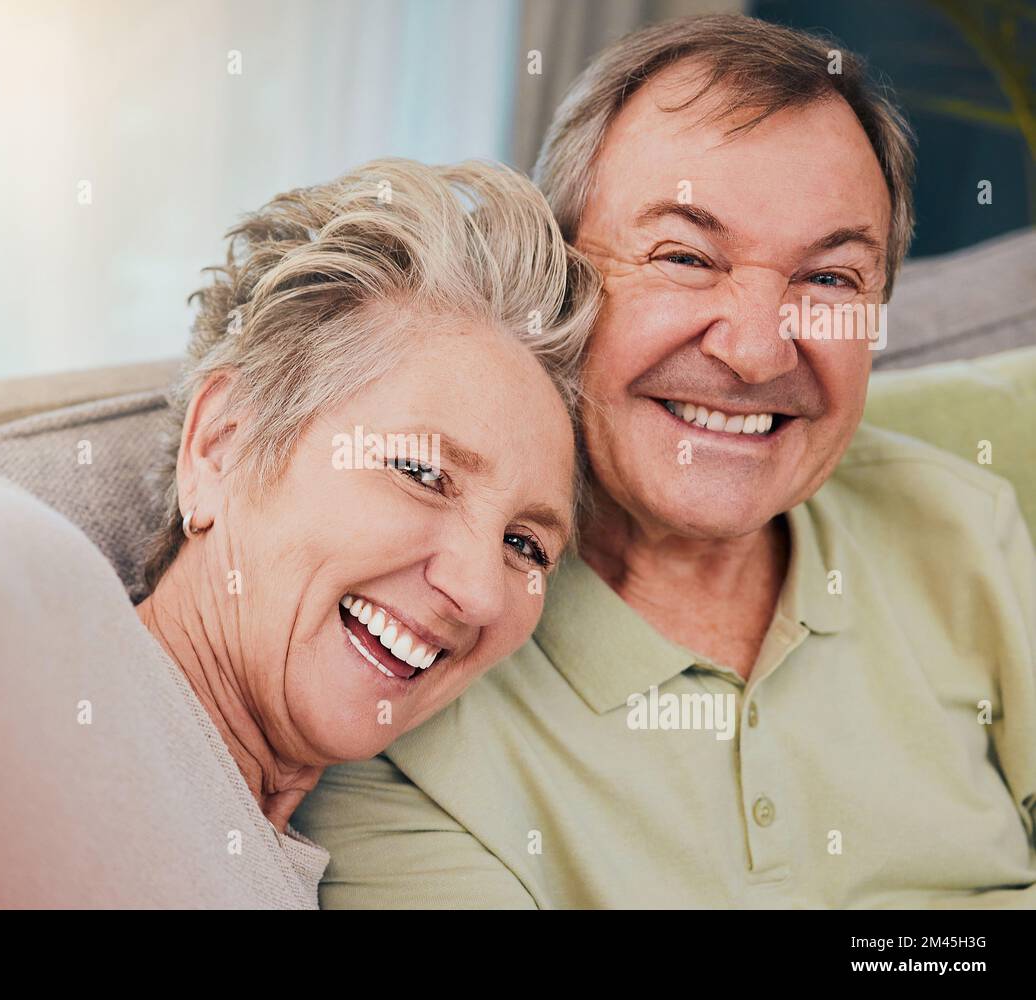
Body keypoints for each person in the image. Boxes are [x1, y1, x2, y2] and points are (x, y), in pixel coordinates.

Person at [293, 15, 1036, 908]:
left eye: (831, 279)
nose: (759, 352)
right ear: (554, 284)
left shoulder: (962, 521)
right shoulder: (415, 658)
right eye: (685, 257)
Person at [0, 159, 599, 907]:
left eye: (527, 545)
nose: (481, 590)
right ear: (221, 445)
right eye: (419, 470)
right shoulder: (30, 602)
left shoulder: (302, 871)